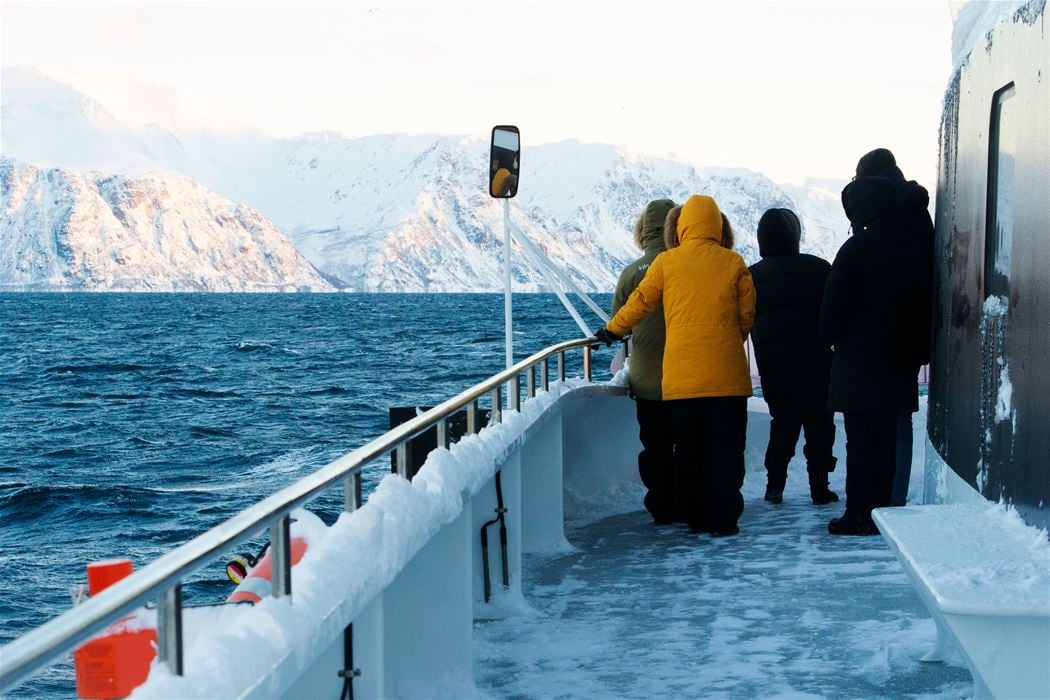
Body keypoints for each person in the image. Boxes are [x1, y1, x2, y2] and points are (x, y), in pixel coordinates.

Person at [596, 195, 755, 536]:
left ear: (680, 226)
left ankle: (695, 517)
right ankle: (724, 519)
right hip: (728, 380)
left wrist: (612, 330)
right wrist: (727, 341)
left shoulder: (668, 264)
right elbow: (747, 317)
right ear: (719, 225)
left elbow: (639, 303)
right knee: (726, 452)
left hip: (682, 381)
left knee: (690, 452)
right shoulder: (734, 262)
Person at [820, 177, 929, 535]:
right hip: (899, 360)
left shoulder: (855, 249)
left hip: (859, 362)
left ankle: (859, 514)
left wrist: (833, 336)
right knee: (885, 441)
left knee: (861, 442)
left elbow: (831, 314)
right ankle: (884, 512)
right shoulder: (912, 246)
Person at [853, 148, 934, 506]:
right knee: (901, 412)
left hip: (879, 326)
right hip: (913, 322)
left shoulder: (881, 214)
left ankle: (882, 498)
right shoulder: (917, 211)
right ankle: (895, 495)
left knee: (879, 417)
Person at [749, 208, 838, 506]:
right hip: (817, 366)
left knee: (782, 428)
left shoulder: (753, 276)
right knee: (820, 429)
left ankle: (774, 486)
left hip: (776, 370)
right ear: (795, 236)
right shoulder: (819, 268)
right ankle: (820, 487)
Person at [611, 199, 677, 523]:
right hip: (685, 374)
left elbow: (618, 321)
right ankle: (688, 502)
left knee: (654, 445)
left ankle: (660, 506)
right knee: (688, 442)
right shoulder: (683, 264)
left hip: (646, 376)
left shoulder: (630, 273)